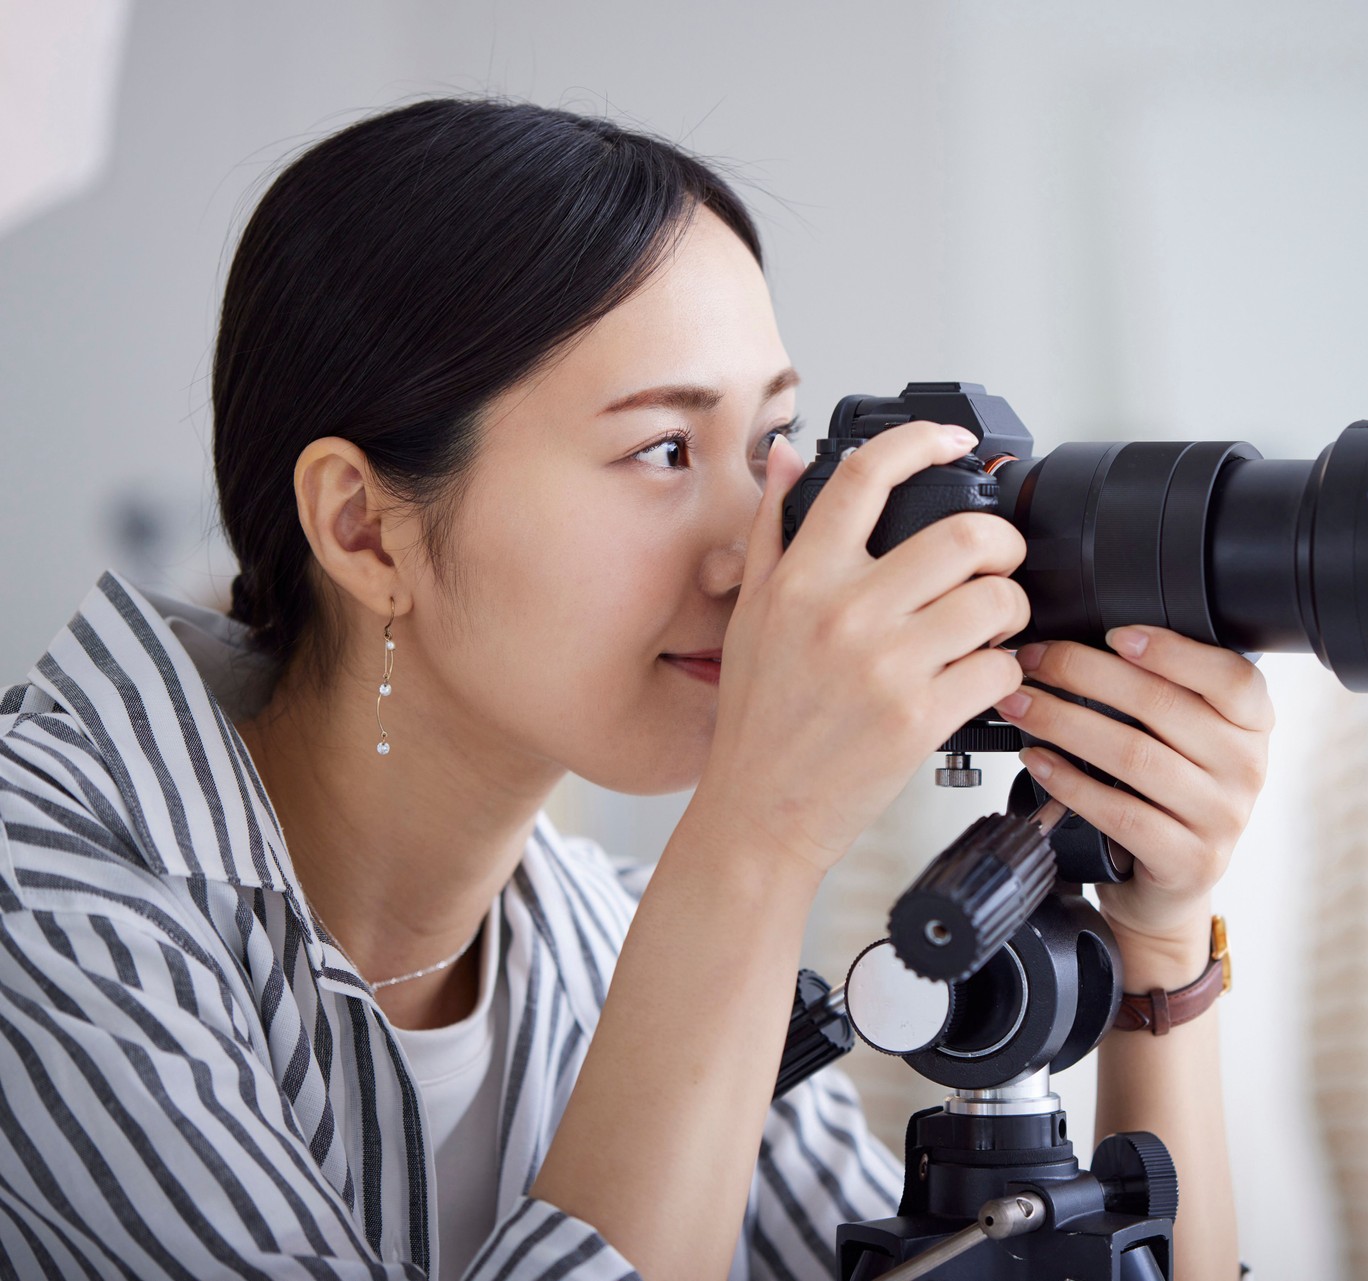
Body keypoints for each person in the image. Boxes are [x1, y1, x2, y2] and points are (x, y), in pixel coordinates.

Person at [0, 98, 1272, 1279]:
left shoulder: (608, 942)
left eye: (773, 443)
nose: (752, 553)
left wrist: (1156, 962)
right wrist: (761, 838)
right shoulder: (40, 894)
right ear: (365, 532)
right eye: (664, 448)